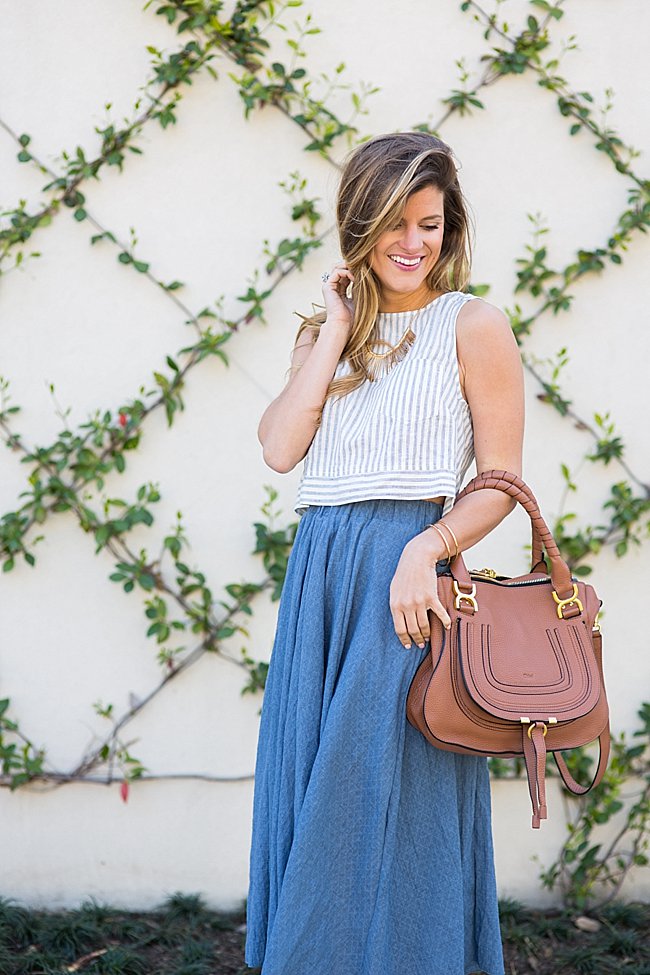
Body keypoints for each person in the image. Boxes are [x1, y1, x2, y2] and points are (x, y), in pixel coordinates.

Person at [244, 131, 524, 975]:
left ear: (451, 227)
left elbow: (502, 480)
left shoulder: (472, 324)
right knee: (318, 783)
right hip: (322, 581)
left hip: (409, 587)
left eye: (431, 225)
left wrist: (426, 548)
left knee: (386, 796)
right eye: (393, 224)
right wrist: (332, 331)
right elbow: (279, 447)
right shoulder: (326, 336)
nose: (411, 244)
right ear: (357, 225)